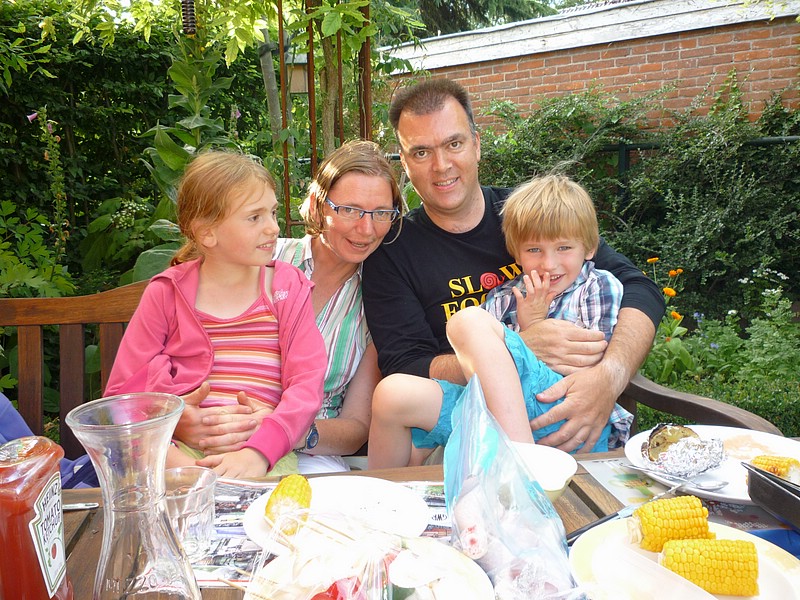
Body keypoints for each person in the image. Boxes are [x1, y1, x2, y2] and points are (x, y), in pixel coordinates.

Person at [362, 78, 665, 453]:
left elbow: (640, 288)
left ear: (477, 144)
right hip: (464, 408)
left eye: (453, 143)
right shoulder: (392, 251)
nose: (441, 166)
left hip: (563, 401)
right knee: (408, 381)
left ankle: (519, 464)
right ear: (405, 164)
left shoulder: (530, 218)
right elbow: (404, 362)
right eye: (421, 152)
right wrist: (511, 351)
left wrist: (609, 376)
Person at [161, 140, 404, 472]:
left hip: (307, 453)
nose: (366, 228)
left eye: (381, 213)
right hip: (205, 436)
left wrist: (289, 433)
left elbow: (356, 427)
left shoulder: (379, 300)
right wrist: (178, 421)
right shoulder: (262, 254)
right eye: (349, 209)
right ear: (319, 205)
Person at [368, 174, 631, 467]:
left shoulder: (596, 286)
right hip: (503, 413)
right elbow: (485, 365)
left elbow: (585, 364)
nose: (549, 263)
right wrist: (529, 330)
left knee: (465, 321)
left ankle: (520, 469)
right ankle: (383, 502)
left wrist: (529, 336)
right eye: (534, 250)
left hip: (568, 414)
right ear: (516, 253)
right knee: (392, 393)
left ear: (589, 247)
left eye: (564, 248)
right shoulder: (506, 296)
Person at [105, 150, 327, 478]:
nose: (272, 228)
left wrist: (259, 451)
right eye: (254, 217)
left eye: (273, 212)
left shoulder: (285, 287)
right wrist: (173, 434)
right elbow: (120, 396)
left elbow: (307, 383)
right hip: (176, 454)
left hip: (264, 451)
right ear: (207, 232)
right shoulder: (167, 293)